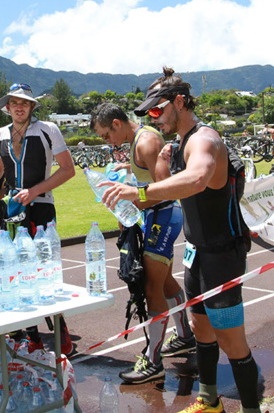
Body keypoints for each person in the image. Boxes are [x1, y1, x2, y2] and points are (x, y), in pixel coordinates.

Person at [101, 68, 261, 413]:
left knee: (232, 343)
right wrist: (129, 192)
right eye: (149, 114)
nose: (153, 119)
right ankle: (209, 400)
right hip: (197, 254)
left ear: (179, 102)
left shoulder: (205, 139)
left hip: (223, 257)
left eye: (157, 111)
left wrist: (139, 189)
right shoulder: (178, 145)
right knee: (199, 329)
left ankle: (251, 409)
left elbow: (198, 178)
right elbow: (167, 191)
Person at [90, 103, 195, 384]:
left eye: (105, 135)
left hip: (164, 214)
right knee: (165, 281)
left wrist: (131, 197)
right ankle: (185, 337)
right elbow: (150, 178)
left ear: (116, 123)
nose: (106, 142)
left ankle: (153, 360)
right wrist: (131, 173)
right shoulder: (139, 140)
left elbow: (167, 189)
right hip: (156, 215)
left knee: (151, 285)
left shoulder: (146, 142)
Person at [0, 83, 76, 355]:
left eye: (24, 102)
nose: (19, 107)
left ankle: (60, 328)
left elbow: (68, 170)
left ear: (32, 106)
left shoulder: (48, 130)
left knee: (45, 269)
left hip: (42, 206)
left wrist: (34, 191)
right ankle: (32, 335)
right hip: (12, 210)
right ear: (7, 107)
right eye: (14, 102)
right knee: (17, 270)